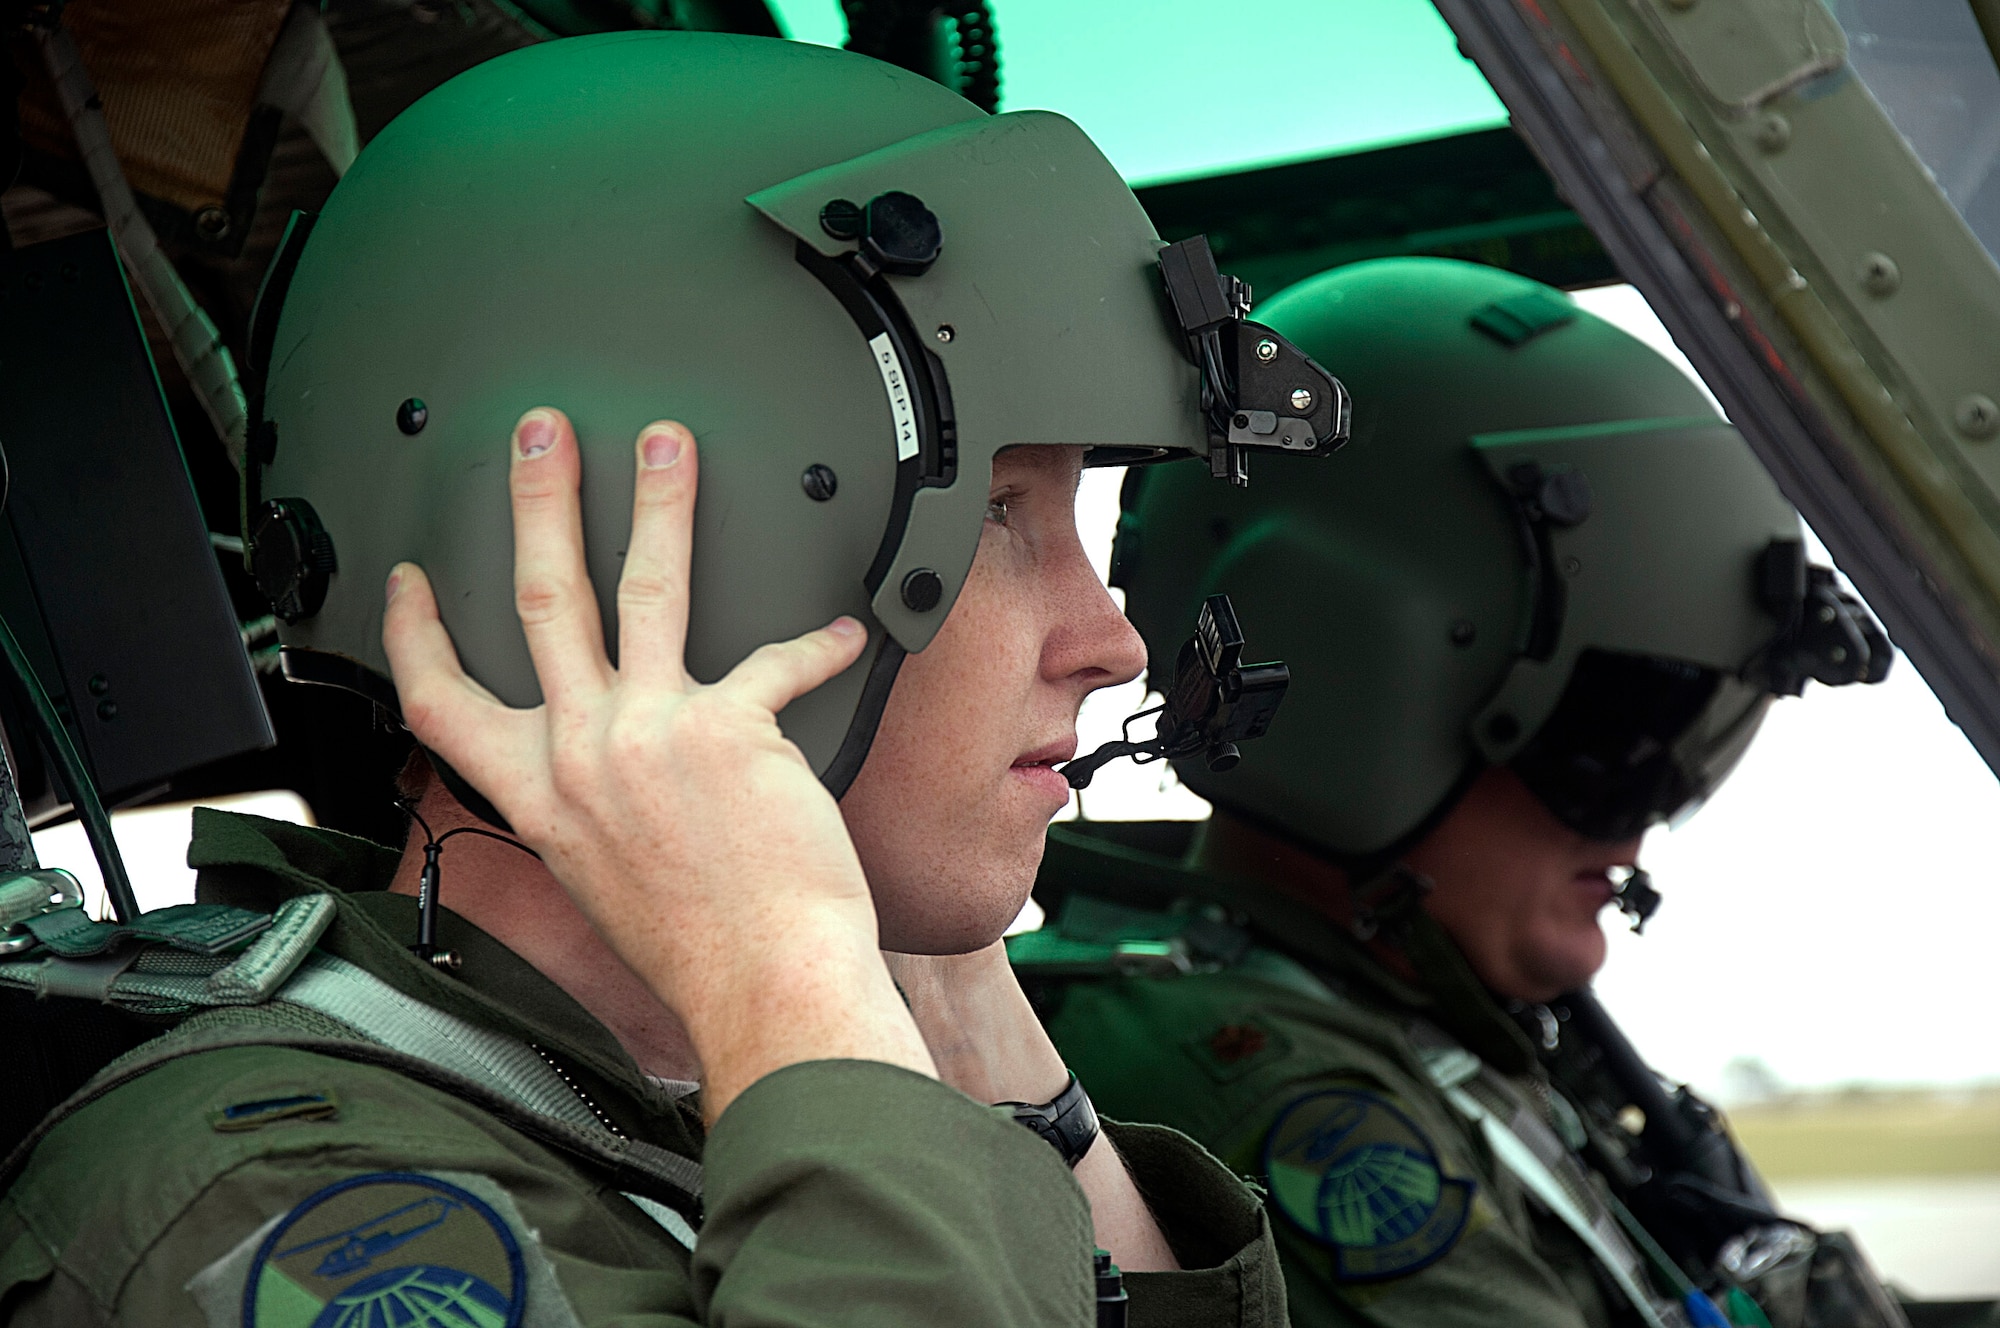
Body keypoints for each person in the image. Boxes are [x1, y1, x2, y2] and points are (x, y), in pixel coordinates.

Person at [0, 31, 1344, 1325]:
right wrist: (792, 983)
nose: (1111, 641)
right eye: (999, 516)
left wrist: (942, 1011)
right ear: (659, 549)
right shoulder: (278, 1209)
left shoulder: (734, 1087)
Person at [1014, 258, 1894, 1328]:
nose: (1643, 820)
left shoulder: (1441, 1030)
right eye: (1615, 741)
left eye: (1693, 741)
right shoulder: (1254, 1077)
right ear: (1355, 681)